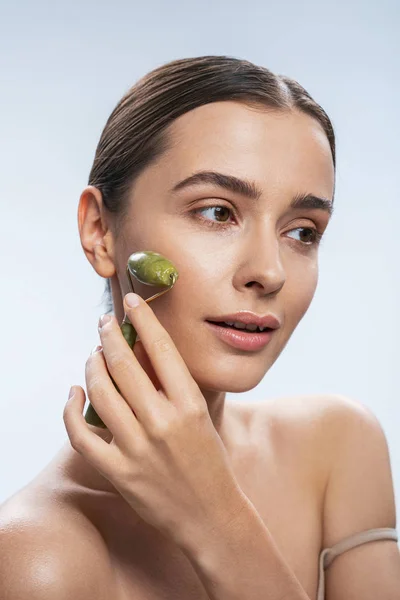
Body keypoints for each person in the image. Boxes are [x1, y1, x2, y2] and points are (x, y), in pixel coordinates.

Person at [0, 55, 398, 600]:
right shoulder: (41, 560)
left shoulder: (338, 448)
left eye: (302, 231)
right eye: (216, 213)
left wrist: (216, 520)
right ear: (100, 231)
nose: (269, 271)